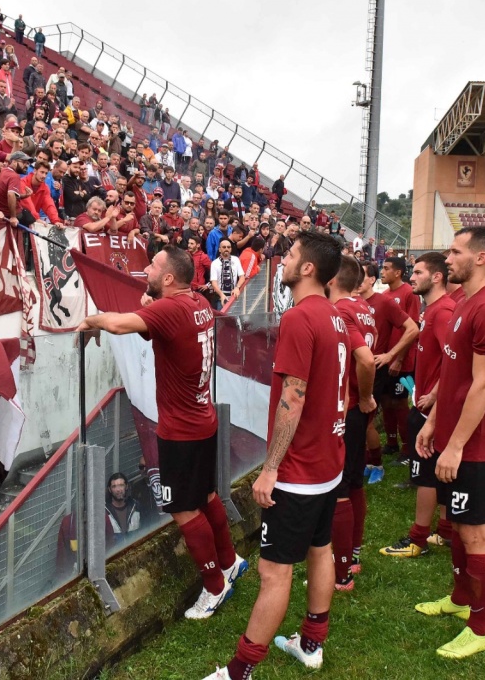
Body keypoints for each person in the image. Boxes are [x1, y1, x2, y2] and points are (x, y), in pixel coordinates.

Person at [205, 231, 347, 679]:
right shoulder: (337, 316)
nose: (281, 261)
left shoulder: (300, 318)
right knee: (320, 548)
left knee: (274, 570)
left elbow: (294, 396)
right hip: (329, 459)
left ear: (307, 268)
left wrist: (270, 468)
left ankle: (239, 671)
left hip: (300, 470)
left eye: (289, 255)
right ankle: (311, 643)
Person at [79, 246, 247, 621]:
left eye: (153, 266)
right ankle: (230, 560)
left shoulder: (170, 310)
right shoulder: (197, 301)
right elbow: (155, 332)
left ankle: (214, 588)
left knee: (184, 511)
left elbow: (123, 325)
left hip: (180, 432)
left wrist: (90, 321)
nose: (147, 269)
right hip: (202, 420)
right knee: (206, 497)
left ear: (169, 278)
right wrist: (148, 302)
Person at [413, 226, 485, 659]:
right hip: (453, 434)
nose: (446, 258)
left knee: (475, 530)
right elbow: (455, 377)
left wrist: (455, 446)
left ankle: (481, 625)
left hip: (474, 444)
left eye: (455, 252)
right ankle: (459, 599)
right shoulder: (465, 302)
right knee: (457, 524)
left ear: (480, 259)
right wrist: (434, 421)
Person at [381, 252, 458, 559]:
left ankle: (418, 538)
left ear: (436, 277)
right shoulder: (433, 310)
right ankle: (446, 531)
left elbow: (455, 360)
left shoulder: (443, 312)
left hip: (432, 408)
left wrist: (436, 394)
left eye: (418, 272)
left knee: (426, 474)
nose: (412, 277)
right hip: (425, 401)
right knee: (433, 470)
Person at [327, 256, 377, 592]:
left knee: (341, 488)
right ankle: (353, 554)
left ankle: (342, 572)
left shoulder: (342, 311)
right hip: (357, 411)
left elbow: (365, 358)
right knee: (355, 482)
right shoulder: (363, 307)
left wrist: (362, 397)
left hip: (348, 411)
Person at [369, 256, 421, 483]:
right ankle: (391, 443)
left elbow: (412, 328)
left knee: (400, 402)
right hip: (385, 360)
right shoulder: (385, 296)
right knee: (387, 401)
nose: (383, 271)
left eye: (387, 268)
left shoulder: (408, 293)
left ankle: (408, 450)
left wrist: (399, 358)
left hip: (403, 361)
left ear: (398, 272)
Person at [105, 472, 142, 543]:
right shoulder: (104, 511)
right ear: (109, 489)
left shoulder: (136, 506)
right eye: (114, 486)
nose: (118, 490)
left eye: (121, 485)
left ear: (126, 486)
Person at [209, 238, 245, 310]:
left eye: (228, 247)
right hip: (220, 298)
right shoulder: (214, 263)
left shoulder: (236, 259)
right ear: (219, 249)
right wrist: (221, 295)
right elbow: (214, 283)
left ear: (231, 249)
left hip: (234, 297)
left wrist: (237, 287)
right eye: (224, 247)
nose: (226, 249)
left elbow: (242, 276)